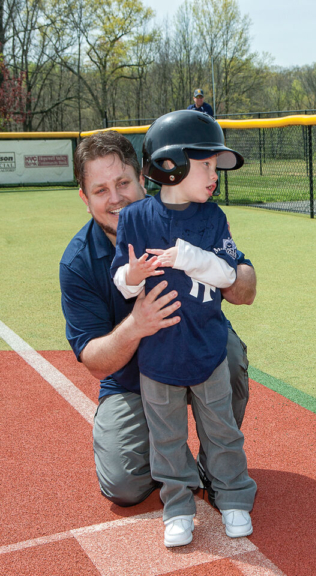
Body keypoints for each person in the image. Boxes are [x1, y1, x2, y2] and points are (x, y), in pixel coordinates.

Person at [59, 130, 256, 539]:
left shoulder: (190, 214)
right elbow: (93, 360)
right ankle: (174, 475)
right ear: (85, 197)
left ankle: (215, 465)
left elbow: (246, 286)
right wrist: (136, 324)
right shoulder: (78, 262)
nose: (115, 197)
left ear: (145, 176)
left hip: (197, 351)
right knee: (124, 484)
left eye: (123, 183)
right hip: (133, 379)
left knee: (230, 353)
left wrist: (216, 260)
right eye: (100, 190)